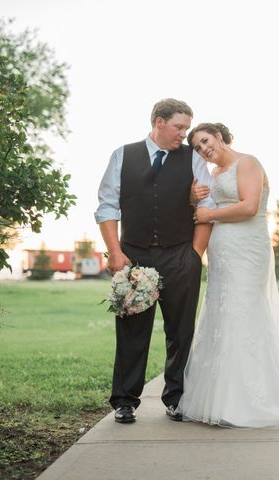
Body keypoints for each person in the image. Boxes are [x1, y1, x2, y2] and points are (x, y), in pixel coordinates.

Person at [179, 122, 279, 427]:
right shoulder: (213, 175)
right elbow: (202, 208)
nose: (203, 149)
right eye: (198, 148)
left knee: (245, 313)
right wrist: (194, 199)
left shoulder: (248, 163)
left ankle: (252, 399)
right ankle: (220, 398)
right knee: (221, 315)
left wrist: (210, 214)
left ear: (219, 136)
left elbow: (249, 207)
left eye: (205, 141)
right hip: (221, 252)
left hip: (247, 249)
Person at [94, 99, 214, 424]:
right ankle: (124, 401)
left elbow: (207, 209)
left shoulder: (192, 159)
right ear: (159, 122)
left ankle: (176, 398)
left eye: (187, 128)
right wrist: (115, 253)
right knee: (132, 330)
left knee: (181, 331)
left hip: (180, 255)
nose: (184, 135)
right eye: (179, 127)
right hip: (133, 254)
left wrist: (194, 255)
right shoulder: (122, 155)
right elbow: (107, 208)